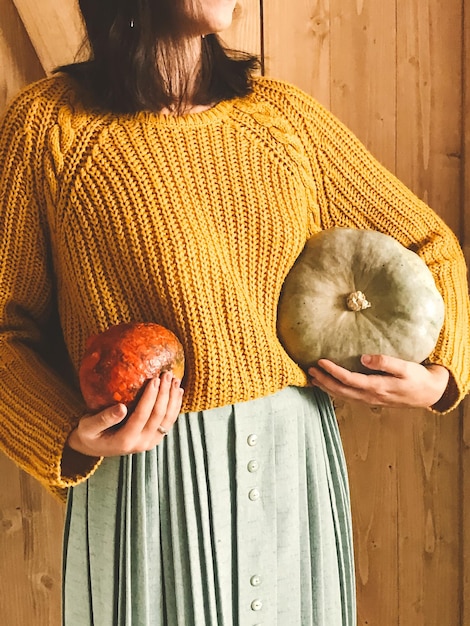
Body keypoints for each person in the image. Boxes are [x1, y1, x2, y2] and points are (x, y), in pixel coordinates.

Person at [0, 1, 468, 624]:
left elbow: (428, 246)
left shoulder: (281, 119)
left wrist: (440, 369)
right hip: (145, 474)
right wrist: (66, 431)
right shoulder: (48, 128)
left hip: (291, 458)